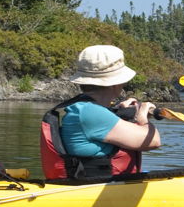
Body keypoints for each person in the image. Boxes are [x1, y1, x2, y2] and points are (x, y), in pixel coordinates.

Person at [40, 45, 162, 179]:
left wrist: (123, 112)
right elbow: (153, 141)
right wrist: (142, 116)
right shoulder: (91, 112)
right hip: (96, 187)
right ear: (115, 84)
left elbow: (103, 121)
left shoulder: (84, 108)